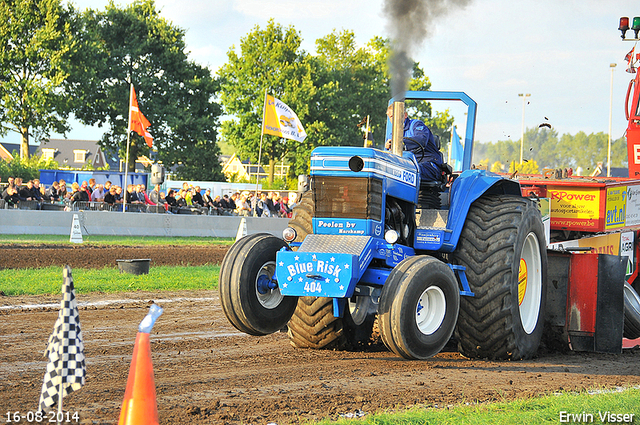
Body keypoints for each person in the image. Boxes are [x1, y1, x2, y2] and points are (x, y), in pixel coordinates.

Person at [386, 105, 444, 182]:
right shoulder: (392, 135)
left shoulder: (416, 125)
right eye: (391, 117)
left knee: (408, 171)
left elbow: (421, 139)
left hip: (428, 164)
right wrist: (387, 148)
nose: (394, 119)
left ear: (405, 115)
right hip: (406, 165)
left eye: (397, 115)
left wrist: (402, 144)